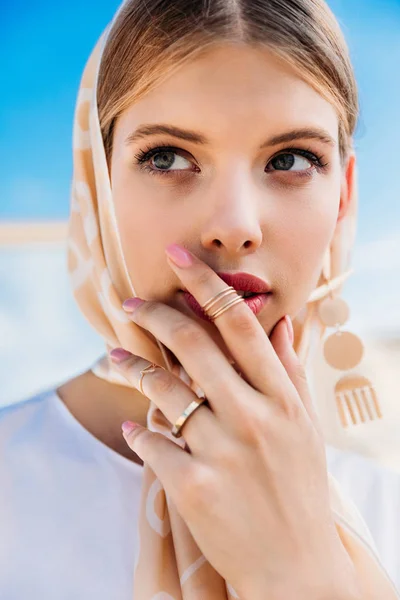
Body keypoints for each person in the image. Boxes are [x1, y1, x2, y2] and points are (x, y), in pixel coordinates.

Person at [0, 0, 399, 598]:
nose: (235, 226)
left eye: (290, 160)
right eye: (168, 157)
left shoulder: (386, 511)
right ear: (98, 185)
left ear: (343, 198)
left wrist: (301, 575)